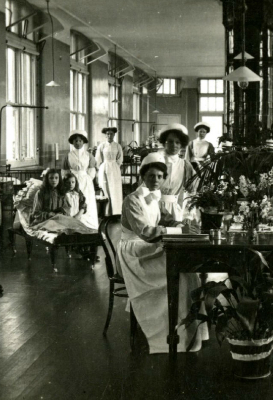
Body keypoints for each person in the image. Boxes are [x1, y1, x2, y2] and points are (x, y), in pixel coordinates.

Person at [116, 157, 206, 353]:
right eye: (150, 176)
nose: (155, 180)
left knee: (187, 269)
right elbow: (146, 232)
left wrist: (181, 225)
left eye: (159, 176)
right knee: (179, 268)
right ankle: (167, 335)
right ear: (142, 177)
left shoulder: (155, 197)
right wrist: (177, 232)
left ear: (164, 179)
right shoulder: (132, 199)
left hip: (147, 247)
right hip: (134, 251)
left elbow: (167, 220)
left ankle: (188, 331)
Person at [151, 123, 196, 223]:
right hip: (153, 206)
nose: (174, 145)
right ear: (164, 143)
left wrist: (188, 215)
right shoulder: (155, 161)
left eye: (177, 142)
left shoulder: (185, 165)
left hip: (174, 210)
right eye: (170, 141)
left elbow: (191, 193)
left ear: (182, 144)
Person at [62, 130, 99, 229]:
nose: (78, 143)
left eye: (80, 141)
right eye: (75, 141)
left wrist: (86, 179)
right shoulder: (68, 155)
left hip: (85, 181)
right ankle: (74, 226)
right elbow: (65, 171)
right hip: (72, 180)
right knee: (73, 202)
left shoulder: (88, 155)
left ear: (83, 142)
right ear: (72, 142)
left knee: (86, 201)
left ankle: (89, 227)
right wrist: (68, 180)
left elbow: (92, 170)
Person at [95, 127, 123, 216]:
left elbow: (120, 159)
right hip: (104, 168)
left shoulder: (118, 146)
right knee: (105, 189)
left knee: (115, 189)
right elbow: (98, 159)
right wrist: (101, 168)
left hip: (114, 168)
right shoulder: (102, 146)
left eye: (111, 134)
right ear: (105, 135)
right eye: (107, 134)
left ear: (114, 135)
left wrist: (115, 166)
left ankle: (116, 212)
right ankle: (105, 212)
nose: (109, 135)